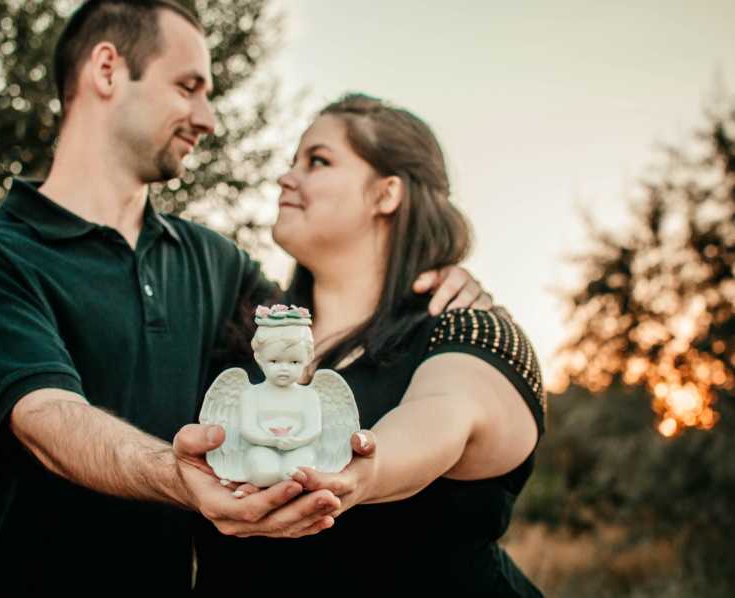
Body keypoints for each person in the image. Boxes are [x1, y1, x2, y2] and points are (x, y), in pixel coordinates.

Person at [0, 2, 494, 595]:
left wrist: (437, 283)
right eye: (189, 87)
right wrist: (177, 475)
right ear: (107, 70)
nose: (208, 118)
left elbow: (336, 334)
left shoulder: (217, 263)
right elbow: (46, 421)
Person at [192, 94, 546, 596]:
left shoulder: (464, 329)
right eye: (292, 162)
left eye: (317, 161)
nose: (286, 178)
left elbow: (444, 415)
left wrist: (361, 470)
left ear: (386, 194)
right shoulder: (241, 336)